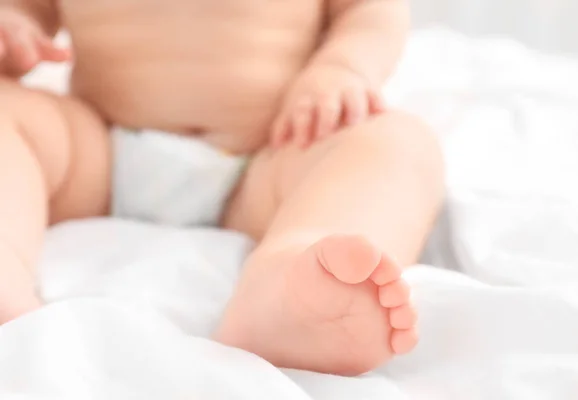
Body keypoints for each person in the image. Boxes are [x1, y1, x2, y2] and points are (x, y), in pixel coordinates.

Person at [0, 0, 443, 375]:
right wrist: (14, 26)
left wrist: (342, 67)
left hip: (267, 160)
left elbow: (370, 10)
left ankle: (294, 280)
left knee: (398, 142)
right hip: (95, 150)